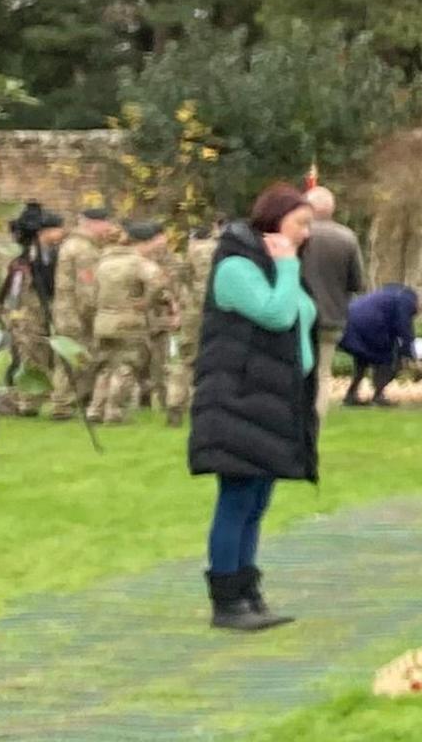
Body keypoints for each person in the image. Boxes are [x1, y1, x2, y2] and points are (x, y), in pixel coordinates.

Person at [192, 181, 316, 632]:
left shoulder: (272, 263)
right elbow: (276, 314)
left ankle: (248, 588)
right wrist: (286, 267)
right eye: (301, 223)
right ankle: (226, 597)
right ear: (275, 219)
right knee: (237, 498)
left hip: (273, 400)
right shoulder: (236, 268)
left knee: (257, 500)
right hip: (238, 401)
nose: (307, 233)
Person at [84, 219, 170, 427]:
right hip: (129, 321)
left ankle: (95, 409)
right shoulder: (137, 262)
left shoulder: (101, 263)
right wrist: (146, 301)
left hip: (103, 321)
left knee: (104, 367)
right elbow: (159, 281)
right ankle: (115, 411)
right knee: (126, 366)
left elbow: (89, 293)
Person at [295, 184, 363, 418]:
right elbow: (356, 282)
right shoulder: (348, 238)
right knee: (322, 374)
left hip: (297, 315)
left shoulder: (296, 235)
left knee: (296, 370)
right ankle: (315, 422)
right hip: (331, 317)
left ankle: (292, 420)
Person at [43, 206, 112, 420]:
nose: (108, 227)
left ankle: (69, 400)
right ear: (93, 223)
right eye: (105, 222)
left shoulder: (72, 244)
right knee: (71, 357)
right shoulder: (84, 249)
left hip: (65, 310)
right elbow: (87, 286)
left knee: (69, 357)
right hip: (75, 313)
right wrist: (94, 314)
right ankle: (63, 403)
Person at [0, 204, 60, 415]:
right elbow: (19, 294)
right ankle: (25, 400)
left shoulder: (46, 256)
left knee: (31, 354)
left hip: (30, 312)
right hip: (28, 314)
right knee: (30, 354)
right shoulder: (28, 261)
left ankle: (21, 398)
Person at [162, 223, 217, 423]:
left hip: (191, 312)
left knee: (186, 360)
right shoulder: (220, 250)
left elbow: (178, 282)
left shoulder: (188, 254)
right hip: (216, 310)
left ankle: (175, 402)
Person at [338, 280, 420, 406]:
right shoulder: (406, 299)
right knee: (389, 360)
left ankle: (351, 394)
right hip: (368, 326)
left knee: (362, 360)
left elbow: (397, 327)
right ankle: (378, 395)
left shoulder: (390, 294)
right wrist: (409, 355)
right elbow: (404, 327)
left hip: (348, 323)